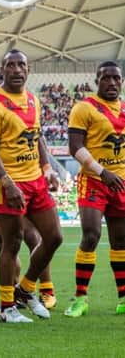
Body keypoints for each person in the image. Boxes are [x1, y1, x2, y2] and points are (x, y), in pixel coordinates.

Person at [0, 49, 63, 323]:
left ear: (29, 69)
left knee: (54, 238)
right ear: (3, 69)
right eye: (10, 65)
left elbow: (37, 138)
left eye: (21, 65)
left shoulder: (33, 101)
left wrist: (47, 169)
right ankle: (7, 308)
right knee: (11, 244)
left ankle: (25, 289)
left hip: (35, 180)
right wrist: (6, 182)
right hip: (8, 184)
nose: (16, 70)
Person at [64, 61, 125, 317]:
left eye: (116, 79)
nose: (112, 83)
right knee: (91, 235)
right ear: (96, 81)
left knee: (121, 242)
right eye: (106, 78)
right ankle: (80, 298)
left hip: (120, 182)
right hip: (94, 180)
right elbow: (74, 146)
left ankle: (123, 298)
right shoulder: (84, 108)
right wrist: (103, 172)